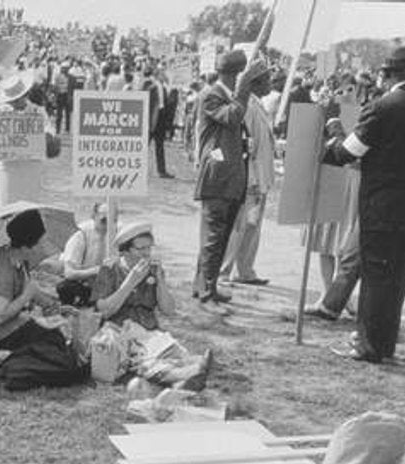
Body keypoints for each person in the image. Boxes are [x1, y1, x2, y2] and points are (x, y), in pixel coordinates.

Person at [322, 43, 405, 362]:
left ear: (388, 75)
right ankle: (385, 344)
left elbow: (349, 152)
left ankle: (369, 345)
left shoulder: (382, 106)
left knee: (375, 276)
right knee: (398, 277)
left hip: (381, 206)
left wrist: (332, 133)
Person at [91, 222, 211, 390]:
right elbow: (105, 310)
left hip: (148, 328)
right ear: (125, 250)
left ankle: (182, 378)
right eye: (141, 249)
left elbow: (168, 310)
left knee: (168, 350)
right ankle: (182, 375)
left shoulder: (152, 269)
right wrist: (130, 282)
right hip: (119, 328)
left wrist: (161, 281)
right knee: (146, 357)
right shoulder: (110, 269)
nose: (146, 253)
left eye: (149, 248)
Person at [192, 52, 265, 305]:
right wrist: (244, 88)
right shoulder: (212, 95)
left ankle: (203, 285)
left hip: (229, 179)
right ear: (235, 74)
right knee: (214, 237)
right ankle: (206, 291)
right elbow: (232, 116)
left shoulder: (225, 96)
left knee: (217, 237)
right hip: (218, 178)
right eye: (243, 76)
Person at [0, 209, 69, 357]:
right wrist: (26, 297)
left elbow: (32, 290)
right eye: (40, 243)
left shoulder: (19, 259)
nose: (43, 247)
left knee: (56, 335)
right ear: (26, 247)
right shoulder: (2, 272)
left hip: (12, 322)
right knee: (51, 340)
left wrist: (55, 307)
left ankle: (8, 354)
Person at [221, 64, 275, 286]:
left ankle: (245, 271)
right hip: (251, 176)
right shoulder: (249, 108)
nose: (271, 85)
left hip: (261, 176)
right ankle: (224, 271)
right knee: (240, 224)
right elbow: (246, 145)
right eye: (268, 81)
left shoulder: (258, 105)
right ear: (255, 83)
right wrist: (251, 177)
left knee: (252, 226)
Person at [0, 71, 55, 206]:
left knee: (28, 209)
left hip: (31, 167)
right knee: (5, 208)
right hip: (8, 167)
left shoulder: (38, 111)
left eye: (17, 100)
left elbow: (49, 134)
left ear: (25, 96)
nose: (13, 103)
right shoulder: (0, 110)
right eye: (11, 101)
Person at [55, 203, 109, 306]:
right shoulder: (80, 236)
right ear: (93, 216)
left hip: (102, 284)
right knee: (65, 287)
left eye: (113, 221)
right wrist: (95, 271)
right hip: (80, 282)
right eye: (104, 221)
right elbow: (69, 273)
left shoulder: (117, 233)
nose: (108, 226)